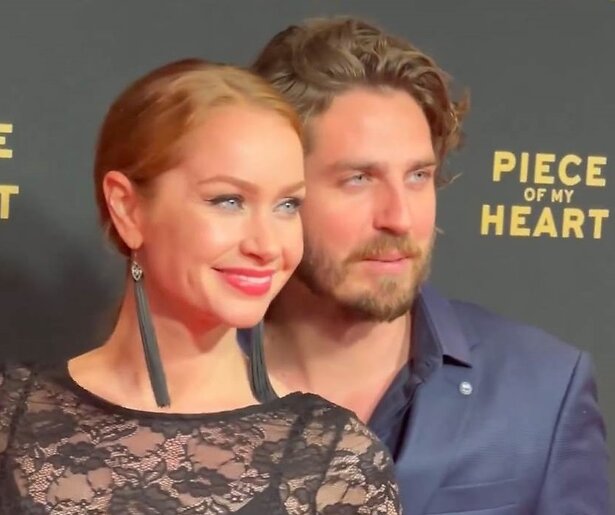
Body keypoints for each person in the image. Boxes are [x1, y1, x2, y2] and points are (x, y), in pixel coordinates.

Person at [0, 59, 401, 514]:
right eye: (228, 201)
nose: (267, 245)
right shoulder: (12, 419)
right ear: (128, 209)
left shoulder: (334, 463)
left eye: (288, 205)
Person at [247, 17, 611, 514]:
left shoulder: (544, 391)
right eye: (359, 178)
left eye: (418, 176)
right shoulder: (179, 387)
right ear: (278, 193)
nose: (399, 217)